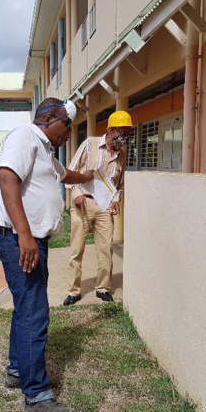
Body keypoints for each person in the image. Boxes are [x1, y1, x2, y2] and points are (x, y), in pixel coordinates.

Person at [0, 97, 94, 412]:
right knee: (34, 314)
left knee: (26, 308)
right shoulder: (25, 137)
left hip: (33, 241)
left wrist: (90, 176)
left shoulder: (45, 152)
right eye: (67, 125)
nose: (69, 133)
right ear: (51, 119)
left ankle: (15, 369)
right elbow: (7, 177)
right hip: (21, 240)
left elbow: (66, 175)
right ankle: (37, 397)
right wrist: (24, 234)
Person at [62, 110, 133, 306]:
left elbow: (119, 184)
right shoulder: (90, 144)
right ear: (110, 130)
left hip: (105, 207)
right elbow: (72, 172)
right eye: (122, 132)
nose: (124, 137)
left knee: (105, 250)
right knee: (77, 250)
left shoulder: (121, 156)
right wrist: (76, 194)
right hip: (83, 203)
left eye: (128, 133)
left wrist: (116, 199)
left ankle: (102, 288)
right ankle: (74, 291)